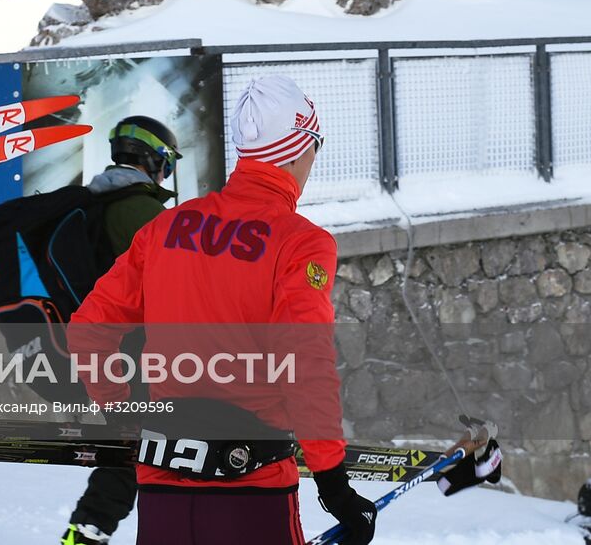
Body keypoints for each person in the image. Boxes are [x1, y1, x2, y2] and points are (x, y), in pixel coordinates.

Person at [69, 76, 377, 545]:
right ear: (298, 149)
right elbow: (304, 363)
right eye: (317, 144)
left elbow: (90, 328)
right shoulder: (301, 243)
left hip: (161, 478)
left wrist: (124, 416)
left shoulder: (167, 227)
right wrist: (334, 483)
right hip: (252, 485)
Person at [62, 116, 181, 545]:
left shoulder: (95, 201)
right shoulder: (144, 212)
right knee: (144, 450)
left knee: (142, 449)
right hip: (140, 354)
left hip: (105, 349)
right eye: (166, 164)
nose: (167, 174)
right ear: (155, 161)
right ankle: (88, 531)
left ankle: (89, 531)